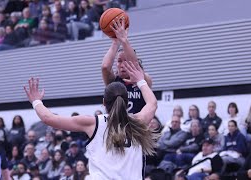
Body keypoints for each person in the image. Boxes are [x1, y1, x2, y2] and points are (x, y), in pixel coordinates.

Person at [23, 60, 157, 179]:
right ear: (127, 102)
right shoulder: (138, 121)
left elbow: (48, 118)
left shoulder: (94, 123)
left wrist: (36, 102)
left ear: (104, 102)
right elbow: (152, 103)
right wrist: (141, 80)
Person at [101, 16, 152, 114]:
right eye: (119, 61)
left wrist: (124, 40)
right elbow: (105, 67)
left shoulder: (144, 80)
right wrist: (116, 42)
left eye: (126, 60)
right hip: (117, 127)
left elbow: (134, 65)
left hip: (137, 127)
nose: (123, 64)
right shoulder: (113, 81)